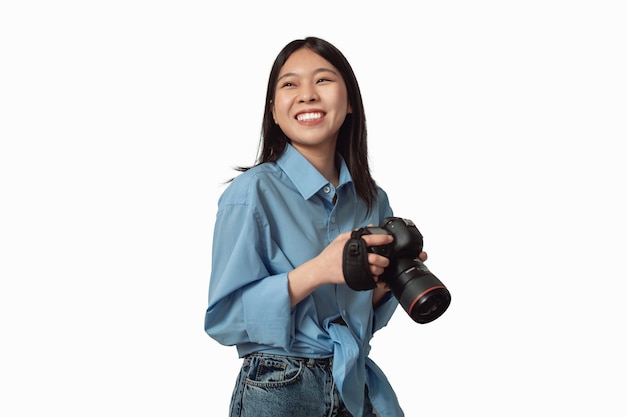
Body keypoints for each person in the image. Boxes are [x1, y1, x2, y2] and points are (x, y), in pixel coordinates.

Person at [204, 36, 427, 417]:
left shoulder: (373, 199)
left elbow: (360, 321)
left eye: (323, 80)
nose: (307, 94)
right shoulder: (251, 194)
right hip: (281, 386)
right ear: (274, 111)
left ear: (351, 102)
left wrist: (385, 287)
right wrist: (318, 271)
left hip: (355, 382)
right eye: (290, 84)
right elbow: (224, 320)